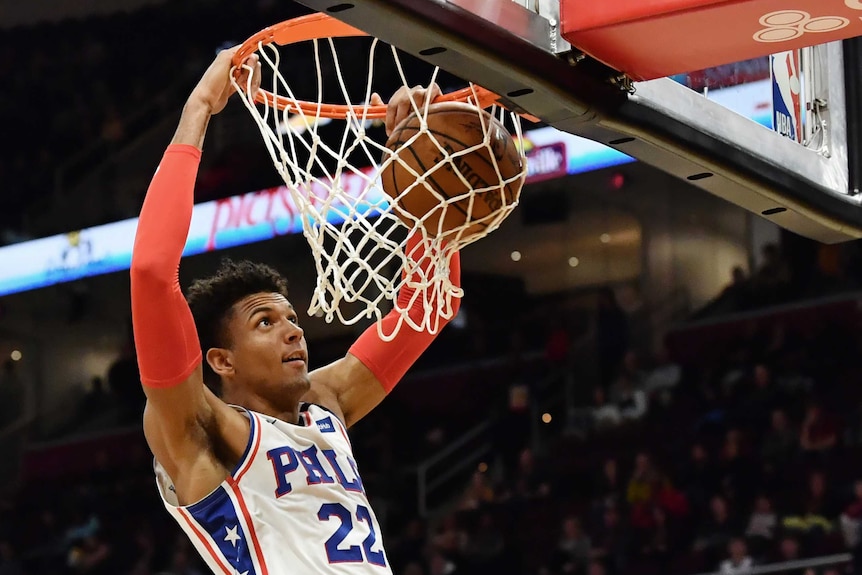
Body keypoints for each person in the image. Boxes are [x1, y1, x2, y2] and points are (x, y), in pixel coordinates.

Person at [130, 47, 459, 574]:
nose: (292, 333)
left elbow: (428, 305)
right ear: (221, 361)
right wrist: (199, 108)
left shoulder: (326, 402)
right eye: (266, 322)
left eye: (292, 320)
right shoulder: (198, 428)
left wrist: (415, 161)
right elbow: (150, 272)